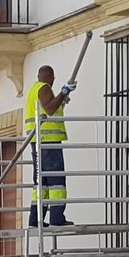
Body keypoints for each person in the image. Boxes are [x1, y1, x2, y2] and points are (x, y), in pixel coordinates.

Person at [24, 64, 73, 227]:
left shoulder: (33, 90)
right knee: (56, 181)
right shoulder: (44, 88)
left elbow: (49, 109)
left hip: (37, 141)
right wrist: (63, 92)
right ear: (51, 77)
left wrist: (61, 99)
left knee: (41, 183)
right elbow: (50, 109)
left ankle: (35, 219)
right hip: (48, 142)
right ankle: (57, 218)